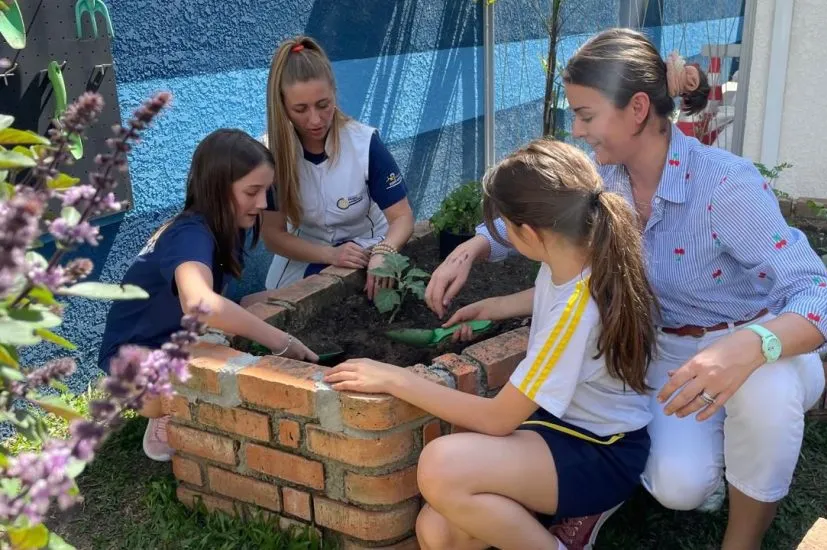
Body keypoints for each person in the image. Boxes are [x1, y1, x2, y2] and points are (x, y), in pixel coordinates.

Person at [425, 28, 827, 550]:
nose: (577, 130)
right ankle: (716, 455)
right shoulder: (608, 181)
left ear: (637, 109)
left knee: (765, 397)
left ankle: (744, 539)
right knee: (678, 488)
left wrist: (748, 347)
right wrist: (472, 248)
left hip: (760, 342)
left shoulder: (725, 186)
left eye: (585, 114)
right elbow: (540, 221)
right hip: (667, 350)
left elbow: (825, 296)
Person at [324, 139, 656, 550]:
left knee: (440, 466)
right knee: (438, 530)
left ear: (529, 233)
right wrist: (493, 307)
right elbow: (548, 295)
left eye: (505, 227)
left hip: (601, 452)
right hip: (562, 428)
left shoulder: (577, 312)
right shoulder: (579, 256)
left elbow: (498, 419)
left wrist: (395, 380)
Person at [98, 129, 316, 462]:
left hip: (181, 338)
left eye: (265, 191)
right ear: (217, 188)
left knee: (267, 302)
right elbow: (200, 303)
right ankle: (164, 411)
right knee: (171, 389)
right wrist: (279, 339)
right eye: (252, 191)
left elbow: (224, 304)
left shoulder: (227, 225)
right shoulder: (189, 234)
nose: (262, 203)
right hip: (133, 358)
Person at [261, 36, 414, 300]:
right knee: (269, 306)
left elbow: (402, 217)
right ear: (282, 106)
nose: (315, 120)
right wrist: (330, 254)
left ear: (334, 93)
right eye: (300, 109)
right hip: (306, 249)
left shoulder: (365, 143)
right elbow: (273, 236)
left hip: (368, 242)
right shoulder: (268, 153)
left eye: (323, 105)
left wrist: (384, 251)